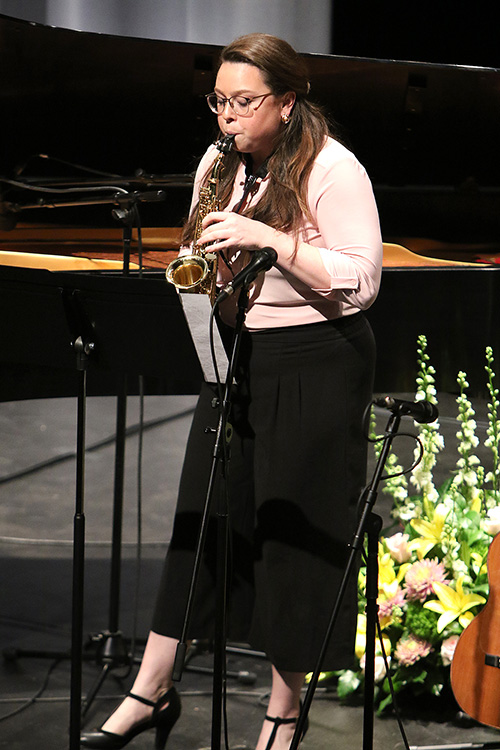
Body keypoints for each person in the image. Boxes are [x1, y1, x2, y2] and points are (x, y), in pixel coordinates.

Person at [80, 31, 383, 750]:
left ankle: (283, 713)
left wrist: (273, 240)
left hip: (318, 357)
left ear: (285, 100)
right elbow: (198, 248)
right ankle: (150, 688)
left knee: (291, 537)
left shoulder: (334, 169)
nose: (227, 117)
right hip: (236, 351)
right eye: (219, 101)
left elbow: (363, 280)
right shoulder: (218, 164)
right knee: (203, 517)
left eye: (243, 102)